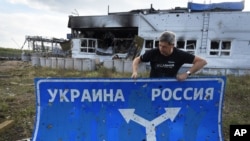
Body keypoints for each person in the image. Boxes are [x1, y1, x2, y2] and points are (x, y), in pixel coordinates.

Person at [131, 31, 207, 81]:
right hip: (153, 85)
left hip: (171, 87)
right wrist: (135, 72)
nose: (161, 49)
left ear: (172, 45)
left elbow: (202, 62)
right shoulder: (154, 52)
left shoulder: (179, 54)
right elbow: (137, 60)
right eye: (160, 45)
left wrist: (187, 74)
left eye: (164, 47)